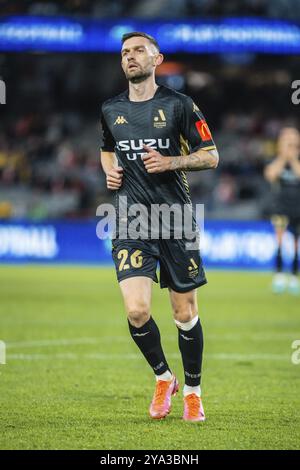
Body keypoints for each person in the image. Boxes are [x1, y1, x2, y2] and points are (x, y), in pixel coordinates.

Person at [100, 32, 219, 421]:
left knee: (184, 314)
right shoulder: (110, 109)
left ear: (157, 58)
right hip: (130, 218)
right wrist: (110, 172)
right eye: (124, 53)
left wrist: (170, 163)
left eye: (137, 51)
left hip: (175, 219)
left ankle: (193, 391)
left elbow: (211, 155)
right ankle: (163, 377)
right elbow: (106, 149)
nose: (129, 57)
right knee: (136, 310)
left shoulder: (180, 104)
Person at [264, 126, 300, 294]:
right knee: (279, 242)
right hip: (280, 207)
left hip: (297, 207)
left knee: (296, 244)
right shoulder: (276, 159)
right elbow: (270, 175)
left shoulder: (297, 161)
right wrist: (283, 157)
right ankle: (279, 275)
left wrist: (292, 159)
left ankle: (293, 276)